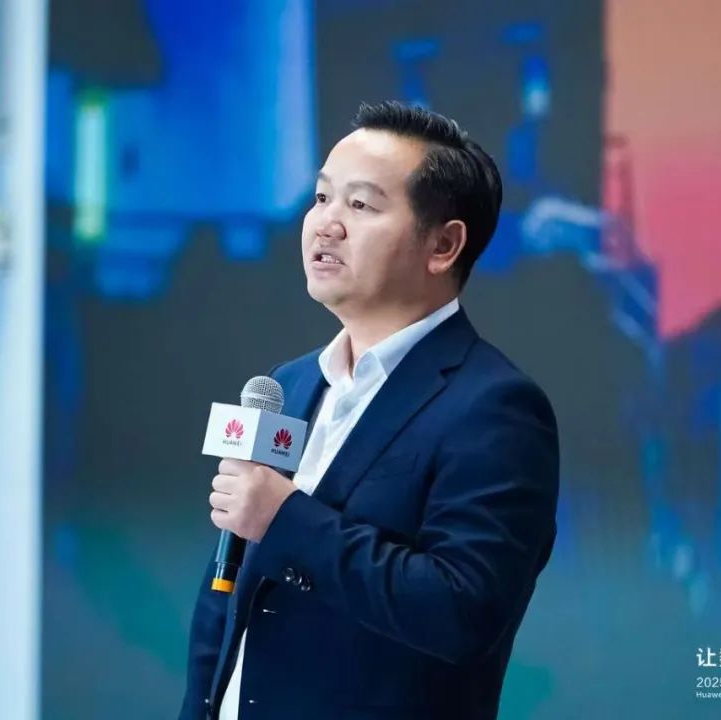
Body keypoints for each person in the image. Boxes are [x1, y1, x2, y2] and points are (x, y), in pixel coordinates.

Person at [178, 100, 560, 720]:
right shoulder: (290, 383)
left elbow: (463, 612)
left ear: (443, 244)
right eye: (321, 197)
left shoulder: (495, 408)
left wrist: (286, 518)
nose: (325, 225)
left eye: (359, 205)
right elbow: (226, 592)